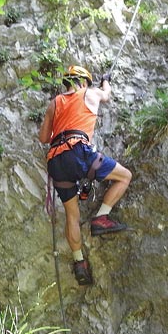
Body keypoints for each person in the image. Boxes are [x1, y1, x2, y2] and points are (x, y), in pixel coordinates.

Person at [39, 65, 132, 286]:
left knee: (72, 214)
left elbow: (44, 137)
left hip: (56, 161)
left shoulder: (56, 102)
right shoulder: (91, 93)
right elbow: (106, 96)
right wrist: (105, 81)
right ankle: (101, 217)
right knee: (125, 176)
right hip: (78, 150)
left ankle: (79, 262)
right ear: (84, 82)